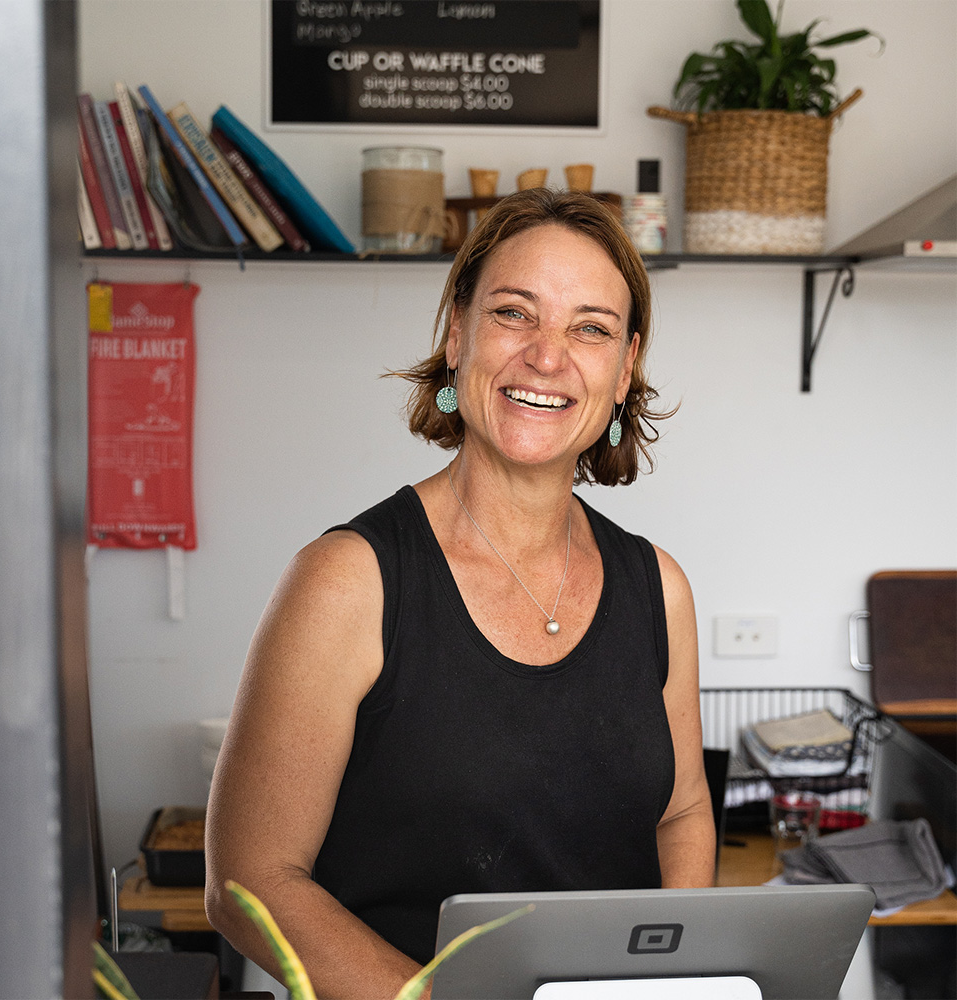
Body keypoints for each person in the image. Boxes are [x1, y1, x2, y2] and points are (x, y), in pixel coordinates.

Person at [205, 188, 716, 999]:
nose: (548, 357)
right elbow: (250, 882)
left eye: (591, 328)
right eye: (515, 314)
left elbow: (681, 814)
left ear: (625, 372)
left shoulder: (661, 588)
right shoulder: (350, 580)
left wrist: (675, 981)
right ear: (457, 335)